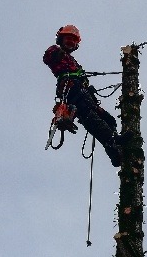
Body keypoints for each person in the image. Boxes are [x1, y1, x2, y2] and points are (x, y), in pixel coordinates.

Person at [43, 24, 123, 166]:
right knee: (92, 120)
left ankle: (115, 146)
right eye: (68, 39)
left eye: (73, 41)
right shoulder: (55, 51)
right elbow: (48, 57)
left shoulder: (74, 62)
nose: (71, 43)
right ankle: (113, 144)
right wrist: (60, 53)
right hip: (72, 92)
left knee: (109, 120)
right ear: (61, 39)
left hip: (84, 94)